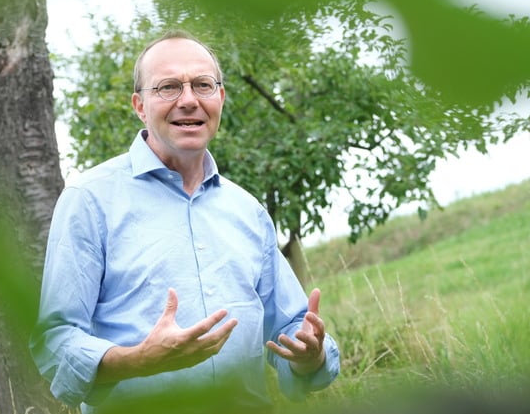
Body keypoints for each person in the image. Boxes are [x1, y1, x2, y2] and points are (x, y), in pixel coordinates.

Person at [30, 30, 340, 413]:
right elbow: (56, 339)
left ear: (221, 99)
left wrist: (310, 356)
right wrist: (139, 360)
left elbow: (290, 326)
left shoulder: (248, 212)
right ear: (139, 105)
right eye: (168, 87)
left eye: (203, 85)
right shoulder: (90, 200)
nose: (189, 100)